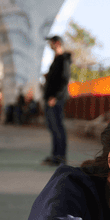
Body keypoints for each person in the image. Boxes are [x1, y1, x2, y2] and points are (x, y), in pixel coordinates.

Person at [41, 35, 71, 166]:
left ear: (57, 43)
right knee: (53, 128)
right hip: (51, 98)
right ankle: (55, 155)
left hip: (55, 99)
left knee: (57, 127)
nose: (49, 45)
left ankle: (60, 157)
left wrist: (55, 96)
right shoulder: (57, 59)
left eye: (51, 43)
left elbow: (64, 80)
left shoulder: (63, 59)